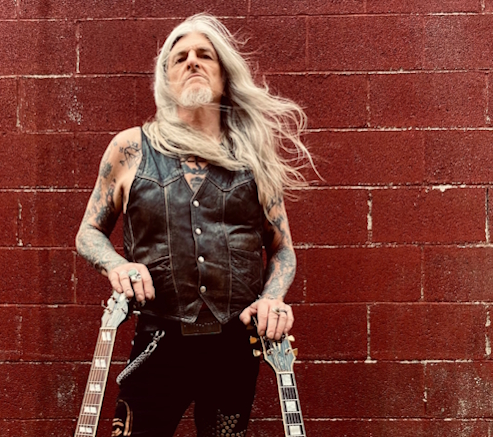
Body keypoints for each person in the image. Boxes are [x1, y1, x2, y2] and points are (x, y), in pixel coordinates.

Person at [76, 13, 314, 437]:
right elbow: (89, 232)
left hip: (232, 347)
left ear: (224, 76)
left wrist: (272, 298)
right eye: (180, 57)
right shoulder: (131, 149)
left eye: (205, 55)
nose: (192, 62)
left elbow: (282, 248)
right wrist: (117, 265)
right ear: (165, 78)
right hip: (157, 340)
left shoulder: (253, 156)